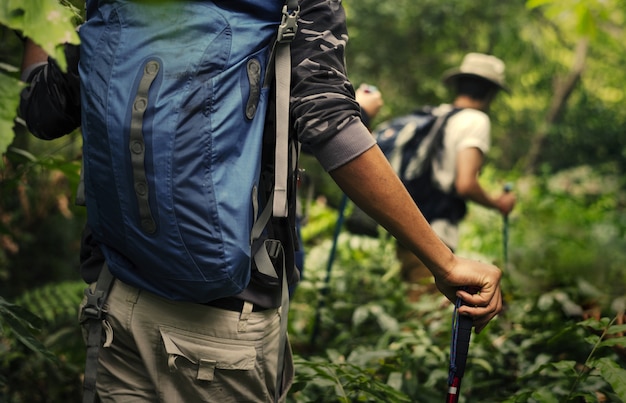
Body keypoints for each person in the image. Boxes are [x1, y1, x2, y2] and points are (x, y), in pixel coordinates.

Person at [19, 3, 503, 402]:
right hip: (221, 326)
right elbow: (327, 123)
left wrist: (38, 13)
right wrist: (444, 260)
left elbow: (41, 111)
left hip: (114, 296)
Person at [395, 52, 517, 301]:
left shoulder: (435, 115)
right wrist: (498, 203)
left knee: (413, 305)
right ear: (490, 92)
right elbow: (465, 184)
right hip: (434, 234)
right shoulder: (476, 121)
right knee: (425, 313)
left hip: (406, 224)